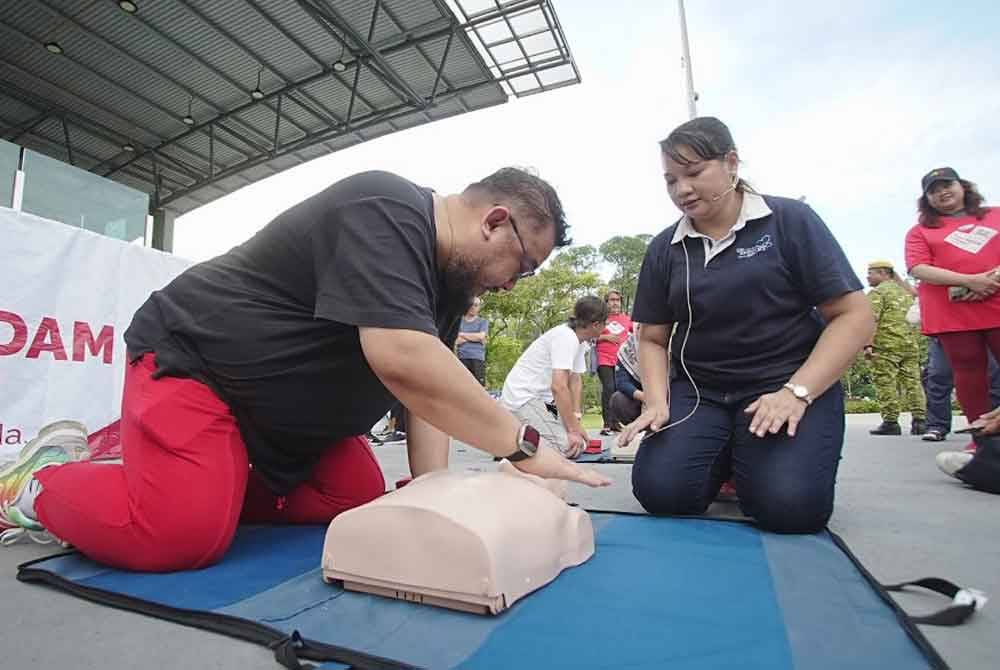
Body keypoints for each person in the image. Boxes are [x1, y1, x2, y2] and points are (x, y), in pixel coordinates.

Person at [0, 168, 611, 568]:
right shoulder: (386, 207)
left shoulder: (448, 281)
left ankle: (199, 479)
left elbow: (431, 392)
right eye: (522, 266)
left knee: (358, 499)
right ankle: (41, 482)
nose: (512, 285)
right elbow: (403, 358)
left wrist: (436, 496)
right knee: (183, 537)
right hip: (196, 367)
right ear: (495, 221)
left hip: (283, 424)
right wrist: (524, 447)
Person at [621, 117, 874, 533]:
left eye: (694, 172)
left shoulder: (790, 220)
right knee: (663, 493)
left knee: (789, 508)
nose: (681, 189)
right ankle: (725, 456)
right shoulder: (665, 248)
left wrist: (798, 392)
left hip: (783, 384)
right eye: (670, 180)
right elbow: (651, 337)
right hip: (702, 390)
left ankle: (764, 456)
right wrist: (656, 401)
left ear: (732, 162)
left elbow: (854, 315)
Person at [905, 167, 1000, 453]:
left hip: (996, 301)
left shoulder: (995, 215)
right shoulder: (920, 231)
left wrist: (991, 280)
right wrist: (969, 281)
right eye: (933, 190)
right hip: (952, 311)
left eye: (948, 185)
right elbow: (918, 267)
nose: (942, 192)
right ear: (926, 199)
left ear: (963, 186)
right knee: (968, 371)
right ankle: (982, 438)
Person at [500, 296, 608, 460]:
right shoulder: (566, 338)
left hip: (542, 402)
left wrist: (576, 420)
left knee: (581, 444)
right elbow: (558, 386)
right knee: (565, 447)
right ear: (596, 324)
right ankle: (508, 442)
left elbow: (575, 380)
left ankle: (522, 435)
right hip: (523, 397)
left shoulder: (580, 341)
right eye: (605, 323)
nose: (605, 327)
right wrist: (572, 430)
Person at [864, 260, 927, 435]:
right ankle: (920, 421)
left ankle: (891, 422)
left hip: (885, 346)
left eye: (871, 272)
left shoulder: (878, 293)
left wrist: (868, 344)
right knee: (913, 382)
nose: (867, 276)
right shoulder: (906, 292)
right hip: (909, 344)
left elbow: (872, 320)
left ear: (884, 273)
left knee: (886, 382)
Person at [923, 337, 1000, 442]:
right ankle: (936, 426)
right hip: (945, 331)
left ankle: (991, 426)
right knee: (938, 375)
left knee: (993, 377)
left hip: (984, 330)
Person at [595, 290, 633, 435]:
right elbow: (590, 336)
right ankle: (606, 424)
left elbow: (637, 334)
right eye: (611, 300)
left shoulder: (627, 319)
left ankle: (615, 423)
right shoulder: (600, 319)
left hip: (622, 361)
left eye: (617, 300)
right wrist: (606, 338)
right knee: (609, 388)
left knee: (619, 390)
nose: (615, 302)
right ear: (606, 303)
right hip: (604, 358)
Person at [610, 327, 644, 428]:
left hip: (663, 396)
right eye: (638, 327)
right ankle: (635, 428)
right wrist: (645, 397)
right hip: (639, 397)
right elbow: (621, 383)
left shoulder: (667, 345)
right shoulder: (626, 349)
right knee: (617, 399)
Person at [455, 297, 489, 386]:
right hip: (461, 358)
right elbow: (456, 340)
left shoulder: (483, 322)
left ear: (479, 307)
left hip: (477, 359)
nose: (473, 307)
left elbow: (481, 336)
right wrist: (475, 337)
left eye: (476, 305)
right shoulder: (458, 321)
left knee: (479, 387)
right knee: (461, 386)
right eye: (471, 304)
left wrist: (462, 334)